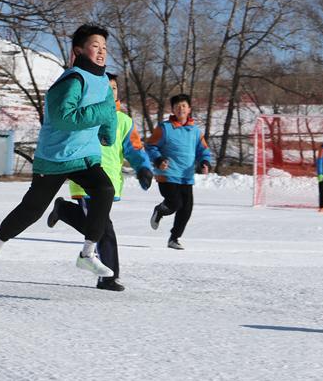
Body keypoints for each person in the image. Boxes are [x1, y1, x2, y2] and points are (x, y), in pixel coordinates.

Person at [0, 24, 118, 278]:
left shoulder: (102, 81)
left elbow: (108, 108)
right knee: (32, 210)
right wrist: (104, 114)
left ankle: (87, 254)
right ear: (79, 50)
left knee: (104, 190)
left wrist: (108, 132)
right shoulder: (71, 80)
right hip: (55, 157)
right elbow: (65, 117)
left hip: (85, 155)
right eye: (95, 46)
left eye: (105, 48)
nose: (101, 52)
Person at [46, 72, 153, 291]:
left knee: (96, 226)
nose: (110, 91)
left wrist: (143, 167)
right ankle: (108, 277)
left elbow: (134, 149)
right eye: (106, 88)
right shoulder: (87, 115)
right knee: (104, 229)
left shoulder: (124, 121)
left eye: (114, 88)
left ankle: (64, 210)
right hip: (86, 178)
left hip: (110, 182)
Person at [146, 94, 212, 250]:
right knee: (175, 203)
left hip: (186, 177)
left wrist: (204, 162)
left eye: (184, 105)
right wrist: (158, 160)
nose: (180, 108)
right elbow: (150, 146)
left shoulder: (195, 131)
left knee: (186, 209)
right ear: (173, 110)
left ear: (189, 109)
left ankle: (174, 238)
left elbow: (204, 150)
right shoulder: (165, 128)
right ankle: (160, 210)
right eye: (177, 106)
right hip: (167, 175)